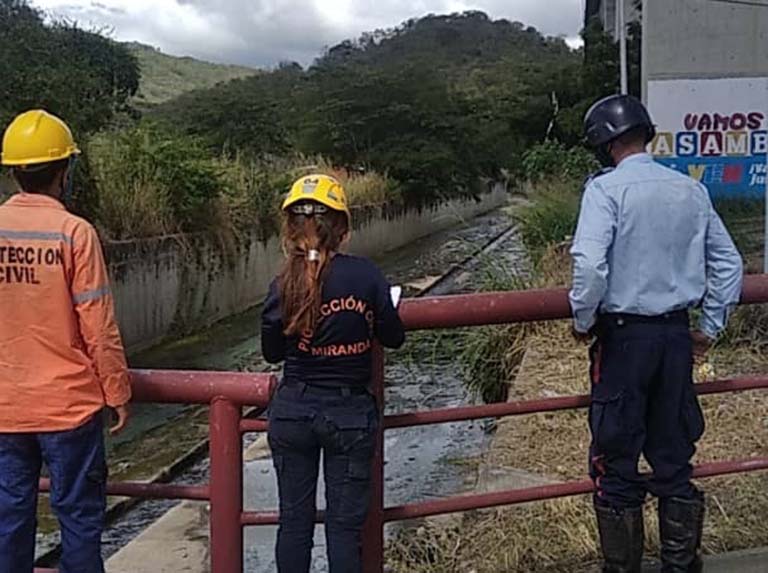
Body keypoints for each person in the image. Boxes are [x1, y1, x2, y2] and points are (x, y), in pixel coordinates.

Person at [570, 95, 743, 573]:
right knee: (673, 457)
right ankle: (680, 565)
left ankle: (622, 567)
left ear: (604, 143)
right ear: (646, 134)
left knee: (615, 460)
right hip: (675, 338)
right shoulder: (689, 190)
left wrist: (582, 321)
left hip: (624, 340)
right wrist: (709, 326)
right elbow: (729, 264)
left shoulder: (604, 191)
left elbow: (590, 266)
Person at [0, 110, 132, 573]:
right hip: (68, 407)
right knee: (78, 520)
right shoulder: (75, 233)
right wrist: (117, 391)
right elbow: (98, 324)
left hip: (6, 409)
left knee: (7, 521)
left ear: (14, 171)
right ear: (64, 170)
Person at [262, 174, 405, 573]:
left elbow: (272, 353)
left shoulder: (282, 284)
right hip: (349, 416)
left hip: (293, 411)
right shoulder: (366, 275)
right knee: (343, 530)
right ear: (342, 228)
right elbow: (393, 337)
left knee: (294, 524)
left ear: (291, 228)